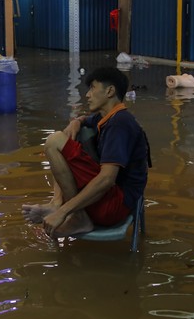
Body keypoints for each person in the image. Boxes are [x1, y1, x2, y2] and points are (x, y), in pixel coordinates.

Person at [22, 67, 151, 237]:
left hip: (116, 206)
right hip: (109, 198)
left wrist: (63, 213)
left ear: (110, 91)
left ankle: (75, 215)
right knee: (67, 138)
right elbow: (86, 120)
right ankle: (57, 203)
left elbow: (106, 179)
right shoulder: (106, 118)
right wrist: (76, 121)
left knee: (55, 141)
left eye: (92, 88)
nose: (87, 95)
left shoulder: (120, 124)